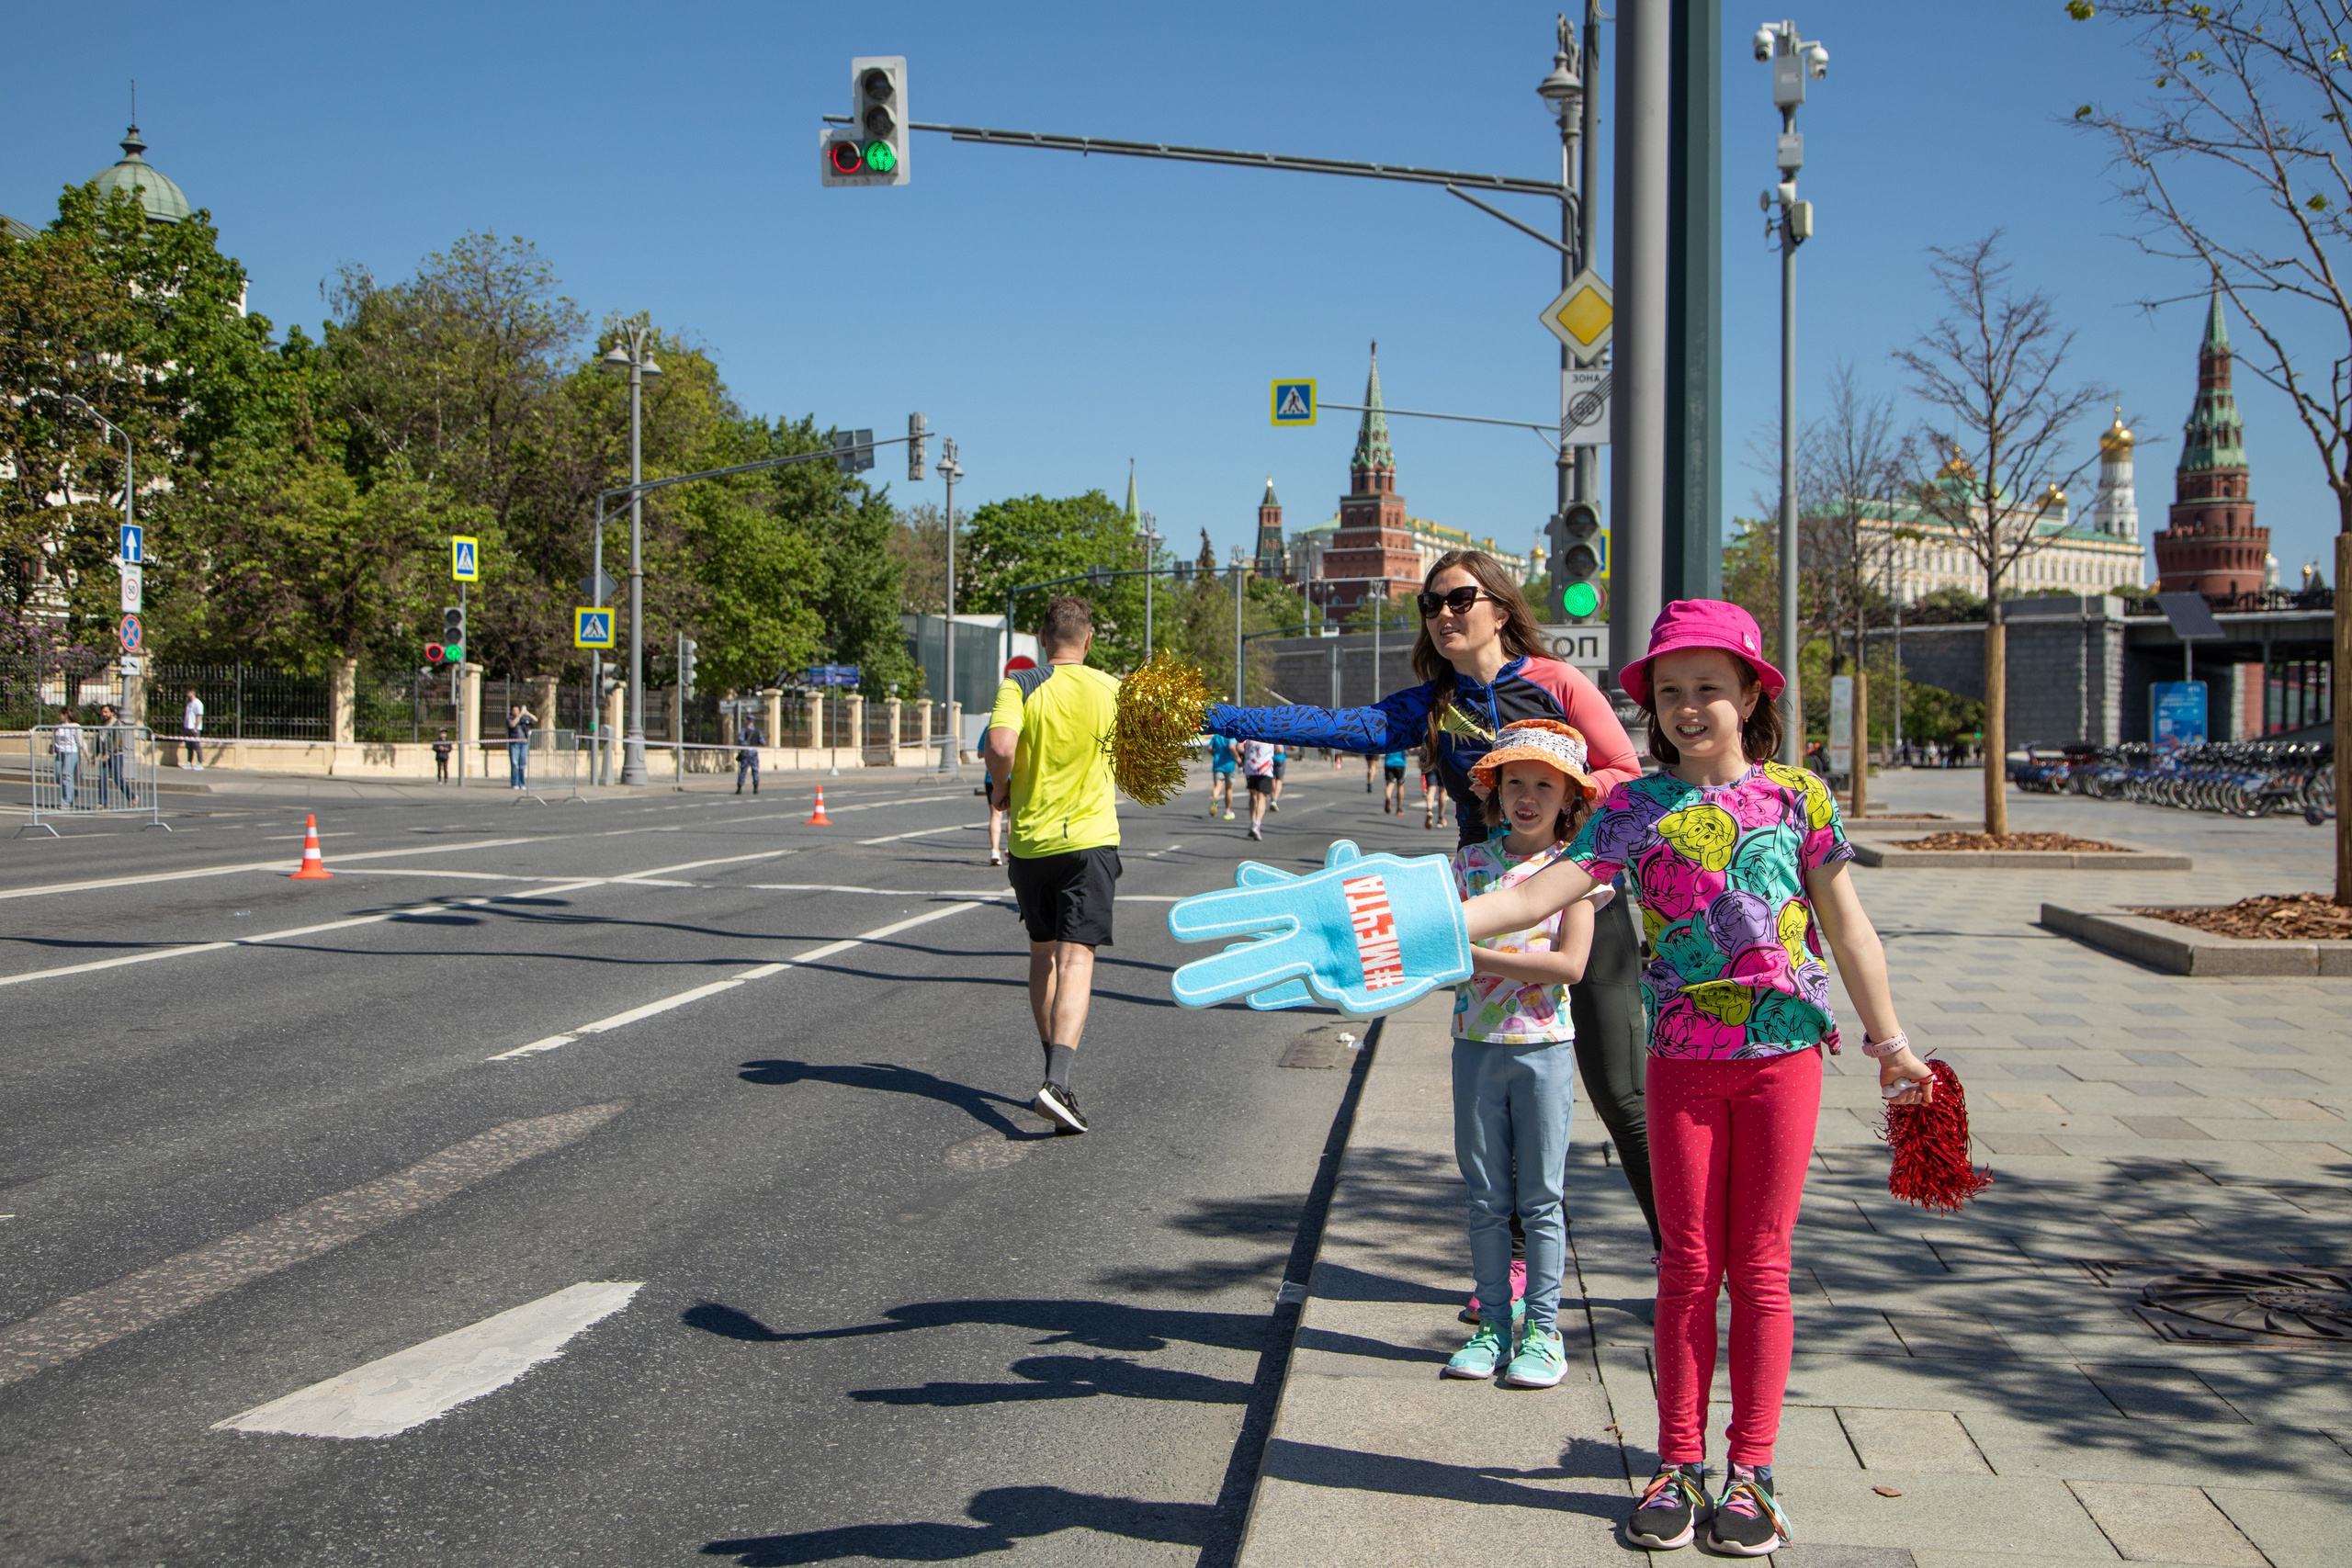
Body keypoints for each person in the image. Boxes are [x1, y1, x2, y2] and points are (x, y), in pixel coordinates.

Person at [1453, 600, 1934, 1557]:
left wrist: (1892, 1046)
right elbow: (1542, 890)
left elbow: (1849, 931)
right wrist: (1434, 924)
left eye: (1707, 688)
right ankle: (1676, 1464)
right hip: (1680, 1062)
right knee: (1684, 1267)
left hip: (1782, 1061)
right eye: (1669, 692)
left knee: (1759, 1269)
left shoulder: (1800, 798)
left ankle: (1751, 1473)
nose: (1686, 707)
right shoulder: (1630, 809)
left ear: (1751, 693)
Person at [1202, 549, 1661, 1251]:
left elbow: (1625, 773)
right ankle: (1511, 1272)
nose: (1443, 614)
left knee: (1622, 1095)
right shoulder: (1433, 704)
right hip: (1486, 911)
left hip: (1581, 900)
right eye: (1430, 604)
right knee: (1503, 1100)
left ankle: (1686, 1258)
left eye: (1458, 599)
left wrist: (1557, 795)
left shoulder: (1557, 682)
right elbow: (1336, 726)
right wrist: (1216, 715)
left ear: (1500, 609)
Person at [1442, 719, 1609, 1393]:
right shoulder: (1466, 865)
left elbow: (1570, 966)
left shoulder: (1579, 871)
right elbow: (1431, 953)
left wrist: (1471, 953)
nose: (1529, 796)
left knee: (1541, 1199)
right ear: (1496, 790)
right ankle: (1491, 1328)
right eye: (1516, 783)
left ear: (1569, 794)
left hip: (1542, 1049)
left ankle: (1543, 1331)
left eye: (1545, 784)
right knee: (1486, 1198)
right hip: (1476, 1046)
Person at [983, 596, 1123, 1136]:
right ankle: (1058, 1083)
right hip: (1089, 842)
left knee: (1043, 955)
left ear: (1043, 639)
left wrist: (1002, 788)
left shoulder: (1020, 684)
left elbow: (999, 746)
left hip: (1032, 846)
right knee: (1077, 958)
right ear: (1088, 641)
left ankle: (1052, 1077)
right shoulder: (1112, 688)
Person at [93, 704, 131, 807]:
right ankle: (102, 803)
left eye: (106, 712)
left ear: (112, 712)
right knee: (103, 778)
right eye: (103, 712)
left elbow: (117, 741)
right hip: (105, 755)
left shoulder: (117, 724)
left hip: (115, 755)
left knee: (117, 778)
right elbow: (99, 740)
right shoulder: (103, 724)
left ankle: (131, 797)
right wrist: (94, 755)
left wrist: (108, 754)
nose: (104, 714)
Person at [1238, 738, 1276, 841]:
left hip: (1251, 767)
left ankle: (1253, 822)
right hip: (1265, 768)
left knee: (1253, 796)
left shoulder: (1249, 732)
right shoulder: (1270, 732)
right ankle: (1257, 826)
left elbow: (1239, 747)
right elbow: (1281, 750)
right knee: (1261, 797)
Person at [51, 708, 84, 810]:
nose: (59, 716)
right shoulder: (58, 725)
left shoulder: (75, 726)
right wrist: (52, 746)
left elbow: (80, 741)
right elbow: (54, 738)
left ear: (66, 715)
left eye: (60, 714)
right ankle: (73, 792)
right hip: (60, 752)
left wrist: (85, 753)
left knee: (66, 776)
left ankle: (66, 802)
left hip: (71, 752)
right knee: (58, 776)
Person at [506, 702, 537, 790]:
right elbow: (512, 724)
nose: (515, 712)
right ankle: (514, 783)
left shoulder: (524, 719)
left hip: (524, 743)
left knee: (522, 764)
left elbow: (535, 720)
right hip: (514, 743)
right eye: (514, 710)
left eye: (517, 710)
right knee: (515, 764)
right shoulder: (510, 718)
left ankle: (521, 783)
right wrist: (519, 716)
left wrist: (528, 713)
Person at [1206, 733, 1238, 821]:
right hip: (1229, 765)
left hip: (1217, 764)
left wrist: (1215, 754)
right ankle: (1227, 810)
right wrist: (1237, 757)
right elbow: (1232, 747)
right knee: (1228, 788)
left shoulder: (1216, 736)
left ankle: (1215, 799)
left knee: (1217, 786)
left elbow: (1209, 748)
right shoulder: (1230, 735)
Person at [1421, 745, 1449, 832]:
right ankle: (1440, 818)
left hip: (1429, 758)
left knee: (1431, 789)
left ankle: (1429, 810)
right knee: (1442, 791)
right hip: (1442, 759)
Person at [736, 716, 763, 796]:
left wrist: (746, 744)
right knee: (755, 770)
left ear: (747, 721)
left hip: (746, 753)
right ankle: (756, 788)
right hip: (754, 753)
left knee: (743, 770)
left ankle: (740, 788)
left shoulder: (744, 730)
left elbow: (740, 740)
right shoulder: (757, 731)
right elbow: (762, 741)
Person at [181, 688, 204, 770]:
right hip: (187, 727)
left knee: (196, 746)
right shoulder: (189, 703)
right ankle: (189, 762)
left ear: (193, 692)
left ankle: (200, 763)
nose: (187, 693)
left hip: (194, 728)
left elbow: (199, 715)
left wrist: (195, 727)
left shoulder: (198, 703)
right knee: (189, 746)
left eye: (188, 692)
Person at [1381, 746, 1408, 814]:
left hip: (1389, 762)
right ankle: (1399, 808)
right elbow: (1410, 749)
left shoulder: (1388, 736)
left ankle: (1388, 797)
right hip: (1401, 763)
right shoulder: (1403, 736)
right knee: (1400, 786)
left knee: (1390, 784)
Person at [1268, 743, 1286, 810]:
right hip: (1280, 758)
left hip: (1270, 758)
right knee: (1279, 780)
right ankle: (1274, 801)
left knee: (1272, 779)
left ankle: (1272, 799)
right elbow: (1281, 750)